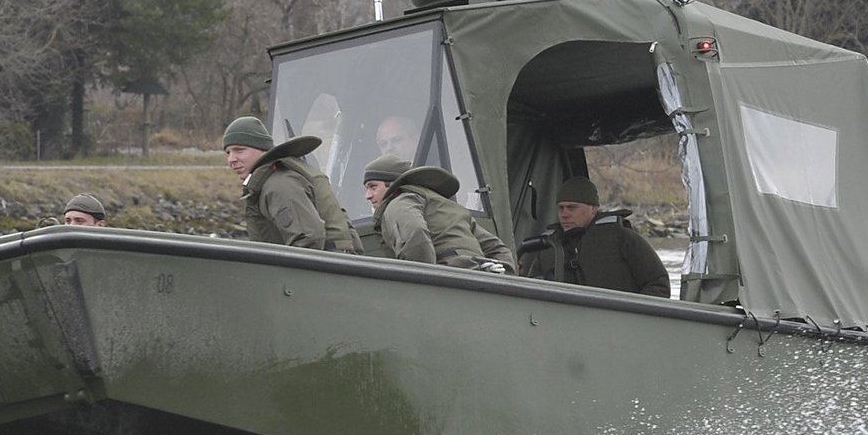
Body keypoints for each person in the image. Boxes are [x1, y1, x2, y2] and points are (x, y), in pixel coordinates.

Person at [222, 116, 361, 253]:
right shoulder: (269, 182)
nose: (231, 159)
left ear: (262, 149)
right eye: (228, 152)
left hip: (327, 269)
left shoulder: (278, 184)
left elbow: (308, 239)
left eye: (239, 150)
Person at [520, 176, 670, 297]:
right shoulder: (549, 247)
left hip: (618, 324)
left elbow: (658, 285)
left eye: (572, 208)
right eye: (561, 208)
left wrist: (631, 317)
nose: (564, 214)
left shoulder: (623, 239)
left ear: (593, 209)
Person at [362, 156, 513, 271]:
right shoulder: (447, 206)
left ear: (392, 184)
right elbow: (498, 248)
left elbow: (415, 231)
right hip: (477, 274)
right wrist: (504, 279)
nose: (367, 196)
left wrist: (424, 281)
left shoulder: (398, 202)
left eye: (373, 187)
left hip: (449, 278)